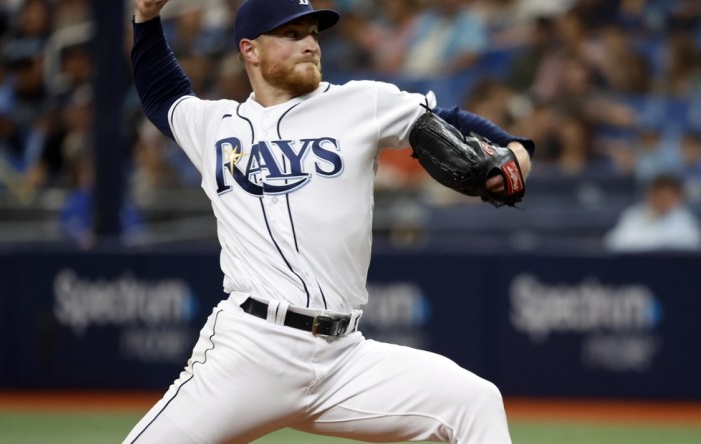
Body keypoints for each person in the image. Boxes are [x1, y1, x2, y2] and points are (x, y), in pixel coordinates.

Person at [126, 0, 534, 443]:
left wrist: (514, 147)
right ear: (250, 50)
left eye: (313, 34)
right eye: (292, 34)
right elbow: (163, 96)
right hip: (252, 350)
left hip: (343, 358)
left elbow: (448, 119)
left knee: (474, 401)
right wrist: (146, 20)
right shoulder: (215, 125)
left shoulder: (361, 103)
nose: (309, 45)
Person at [604, 174, 701, 253]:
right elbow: (613, 243)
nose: (663, 201)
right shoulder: (634, 215)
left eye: (668, 197)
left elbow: (693, 244)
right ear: (650, 195)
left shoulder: (685, 218)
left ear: (676, 198)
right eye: (659, 196)